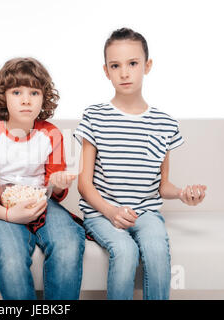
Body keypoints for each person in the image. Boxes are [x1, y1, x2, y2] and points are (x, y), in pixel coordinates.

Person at [74, 28, 207, 300]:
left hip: (146, 213)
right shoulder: (95, 117)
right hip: (102, 213)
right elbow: (84, 184)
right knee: (125, 252)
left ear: (147, 66)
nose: (124, 72)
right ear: (106, 70)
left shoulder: (165, 123)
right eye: (115, 65)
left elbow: (162, 186)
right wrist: (111, 212)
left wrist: (182, 194)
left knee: (157, 250)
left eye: (132, 63)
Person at [0, 57, 85, 300]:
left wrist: (58, 184)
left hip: (41, 201)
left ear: (44, 98)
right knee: (11, 254)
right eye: (17, 91)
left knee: (68, 244)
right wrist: (8, 214)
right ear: (4, 97)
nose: (26, 99)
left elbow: (56, 193)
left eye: (34, 92)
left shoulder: (51, 134)